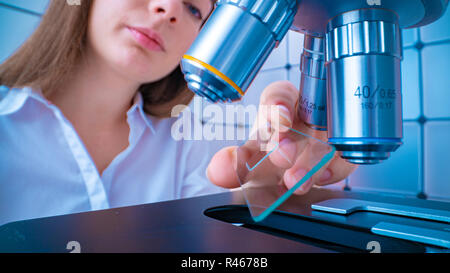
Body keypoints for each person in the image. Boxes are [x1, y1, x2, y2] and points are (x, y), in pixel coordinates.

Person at [0, 0, 356, 226]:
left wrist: (285, 180)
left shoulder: (187, 148)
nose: (168, 8)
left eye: (193, 9)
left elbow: (218, 246)